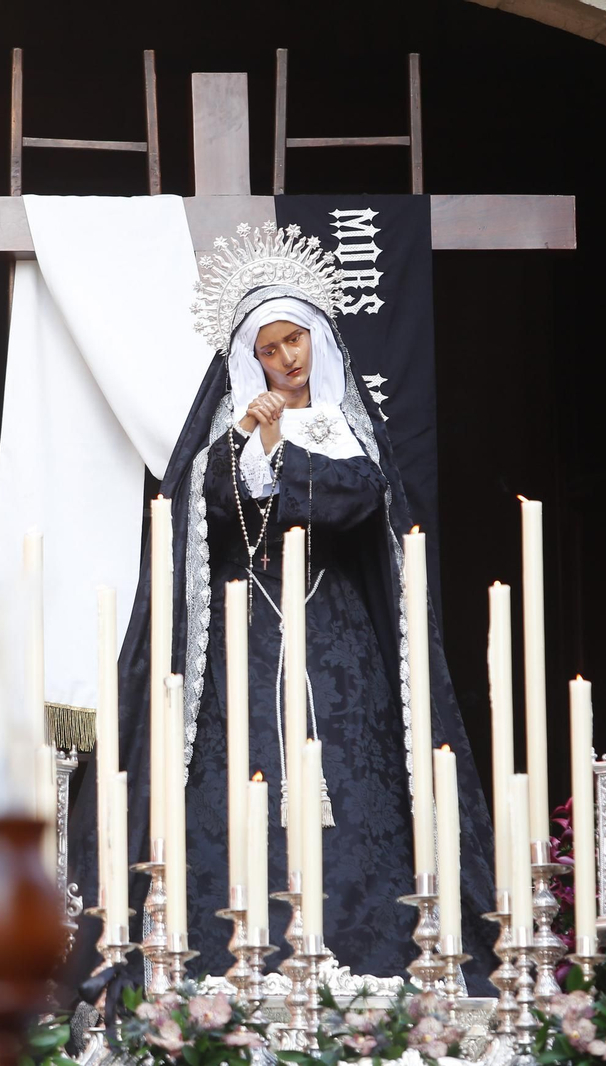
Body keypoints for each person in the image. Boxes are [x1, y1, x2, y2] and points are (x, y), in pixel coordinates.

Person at [68, 224, 495, 990]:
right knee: (240, 787)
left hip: (339, 650)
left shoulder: (340, 427)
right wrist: (252, 447)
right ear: (249, 360)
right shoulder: (225, 443)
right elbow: (209, 509)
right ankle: (223, 969)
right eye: (269, 349)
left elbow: (358, 501)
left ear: (317, 343)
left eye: (295, 340)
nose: (286, 359)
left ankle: (370, 966)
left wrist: (283, 452)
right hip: (246, 646)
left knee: (356, 797)